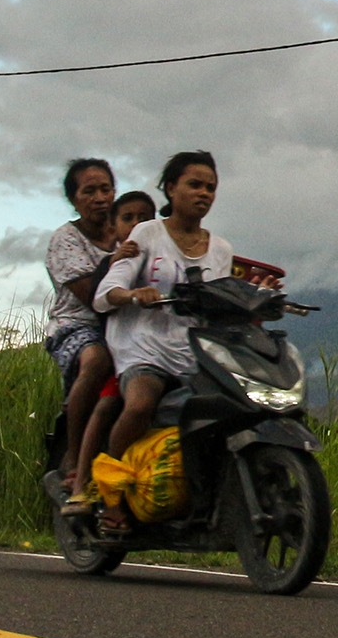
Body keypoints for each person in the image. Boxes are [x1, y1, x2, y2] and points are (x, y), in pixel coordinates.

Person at [91, 151, 242, 527]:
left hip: (192, 350)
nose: (203, 193)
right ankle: (110, 496)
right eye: (194, 184)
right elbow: (106, 291)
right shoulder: (147, 233)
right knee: (140, 405)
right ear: (171, 188)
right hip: (142, 342)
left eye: (210, 187)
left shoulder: (220, 249)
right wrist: (133, 295)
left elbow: (219, 304)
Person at [61, 190, 153, 517]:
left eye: (144, 218)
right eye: (128, 218)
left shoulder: (160, 260)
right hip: (124, 354)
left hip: (162, 352)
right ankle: (82, 481)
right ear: (113, 229)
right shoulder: (112, 263)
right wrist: (115, 263)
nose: (137, 225)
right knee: (108, 404)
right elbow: (99, 297)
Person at [42, 158, 116, 490]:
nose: (100, 197)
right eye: (89, 191)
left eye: (105, 189)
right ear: (74, 200)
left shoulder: (129, 231)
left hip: (128, 322)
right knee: (97, 359)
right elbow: (92, 296)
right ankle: (74, 452)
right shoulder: (66, 239)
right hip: (78, 325)